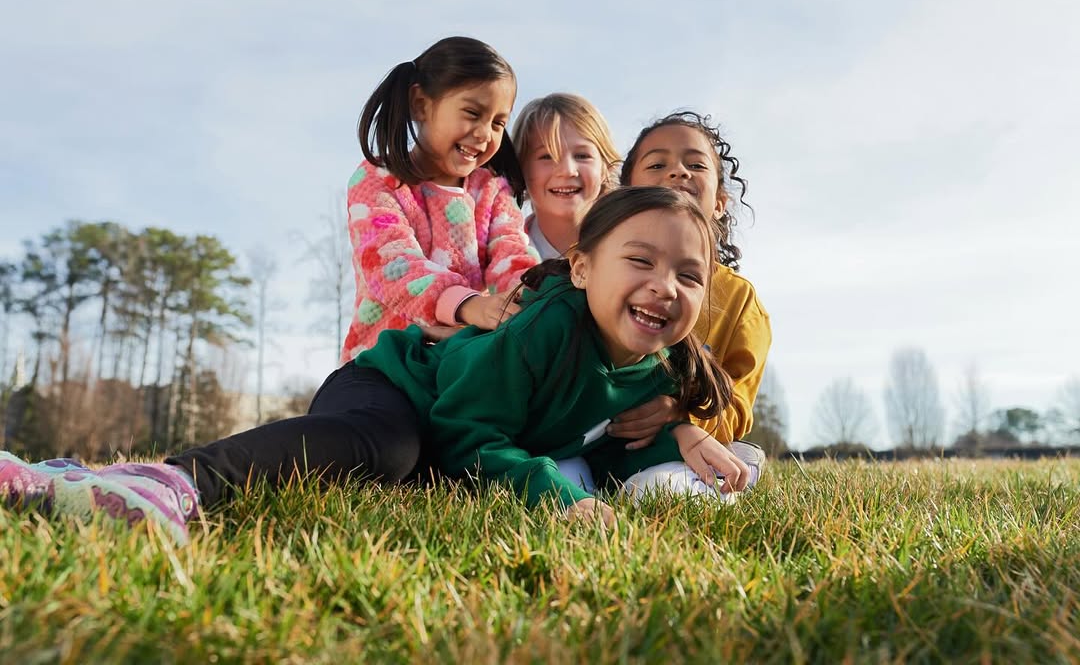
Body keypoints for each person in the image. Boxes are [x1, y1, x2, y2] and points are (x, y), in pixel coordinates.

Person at [0, 187, 751, 541]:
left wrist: (677, 440)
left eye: (688, 276)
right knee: (388, 451)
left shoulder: (660, 369)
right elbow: (467, 434)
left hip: (440, 432)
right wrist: (550, 493)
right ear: (582, 268)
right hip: (395, 385)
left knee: (412, 464)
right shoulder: (546, 330)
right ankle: (166, 485)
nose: (665, 287)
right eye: (640, 261)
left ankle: (73, 471)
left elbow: (610, 437)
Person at [338, 36, 540, 363]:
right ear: (421, 104)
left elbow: (513, 254)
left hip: (461, 358)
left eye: (498, 123)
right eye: (473, 113)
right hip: (384, 362)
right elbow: (393, 265)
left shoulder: (491, 191)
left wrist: (536, 296)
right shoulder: (378, 181)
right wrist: (467, 305)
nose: (485, 134)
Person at [611, 111, 772, 480]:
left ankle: (735, 466)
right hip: (600, 439)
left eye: (695, 164)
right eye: (657, 164)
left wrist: (680, 413)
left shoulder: (739, 302)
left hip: (685, 449)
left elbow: (737, 404)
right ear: (625, 195)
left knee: (665, 487)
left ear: (720, 202)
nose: (678, 171)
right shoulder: (603, 271)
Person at [510, 93, 619, 260]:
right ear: (520, 169)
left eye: (582, 156)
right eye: (547, 156)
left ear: (606, 167)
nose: (568, 170)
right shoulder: (500, 259)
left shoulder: (633, 247)